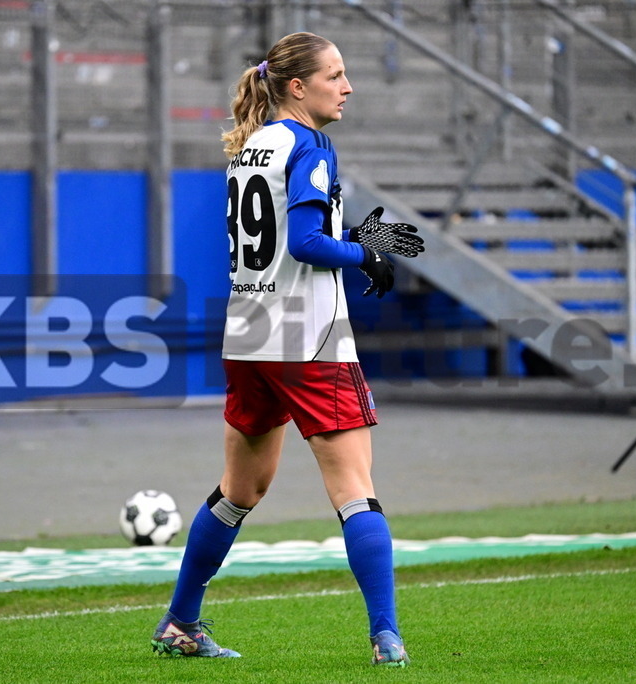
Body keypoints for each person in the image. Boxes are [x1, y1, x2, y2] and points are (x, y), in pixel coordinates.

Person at [151, 31, 424, 667]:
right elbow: (303, 243)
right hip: (311, 339)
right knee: (355, 488)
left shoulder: (251, 148)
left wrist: (353, 233)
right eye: (335, 75)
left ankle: (181, 623)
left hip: (249, 338)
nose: (347, 86)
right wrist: (365, 255)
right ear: (297, 87)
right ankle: (387, 639)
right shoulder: (311, 144)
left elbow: (282, 236)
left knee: (239, 491)